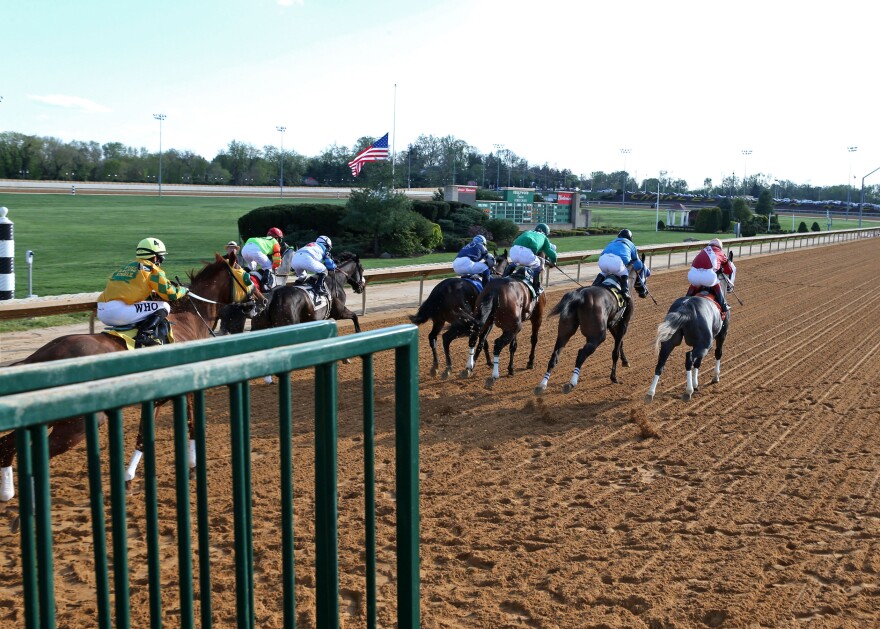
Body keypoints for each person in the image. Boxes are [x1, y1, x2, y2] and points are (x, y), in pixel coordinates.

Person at [96, 237, 188, 345]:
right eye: (161, 258)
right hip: (119, 313)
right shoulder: (152, 270)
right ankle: (144, 334)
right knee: (164, 306)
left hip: (102, 311)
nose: (160, 262)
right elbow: (171, 294)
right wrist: (184, 290)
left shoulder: (127, 267)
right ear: (155, 258)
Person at [503, 223, 557, 294]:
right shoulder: (544, 238)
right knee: (537, 263)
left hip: (513, 251)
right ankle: (536, 287)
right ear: (546, 233)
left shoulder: (528, 232)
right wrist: (553, 262)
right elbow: (551, 253)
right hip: (526, 254)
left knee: (516, 262)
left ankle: (503, 277)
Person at [685, 238, 736, 313]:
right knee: (716, 282)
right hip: (708, 277)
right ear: (720, 247)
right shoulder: (720, 253)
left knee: (695, 284)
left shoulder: (703, 251)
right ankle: (723, 304)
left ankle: (685, 300)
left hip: (692, 276)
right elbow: (729, 270)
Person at [594, 229, 646, 302]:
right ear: (630, 238)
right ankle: (625, 292)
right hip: (616, 263)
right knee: (624, 273)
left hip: (602, 261)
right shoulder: (631, 244)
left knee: (605, 272)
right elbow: (638, 265)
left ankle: (594, 285)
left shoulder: (613, 241)